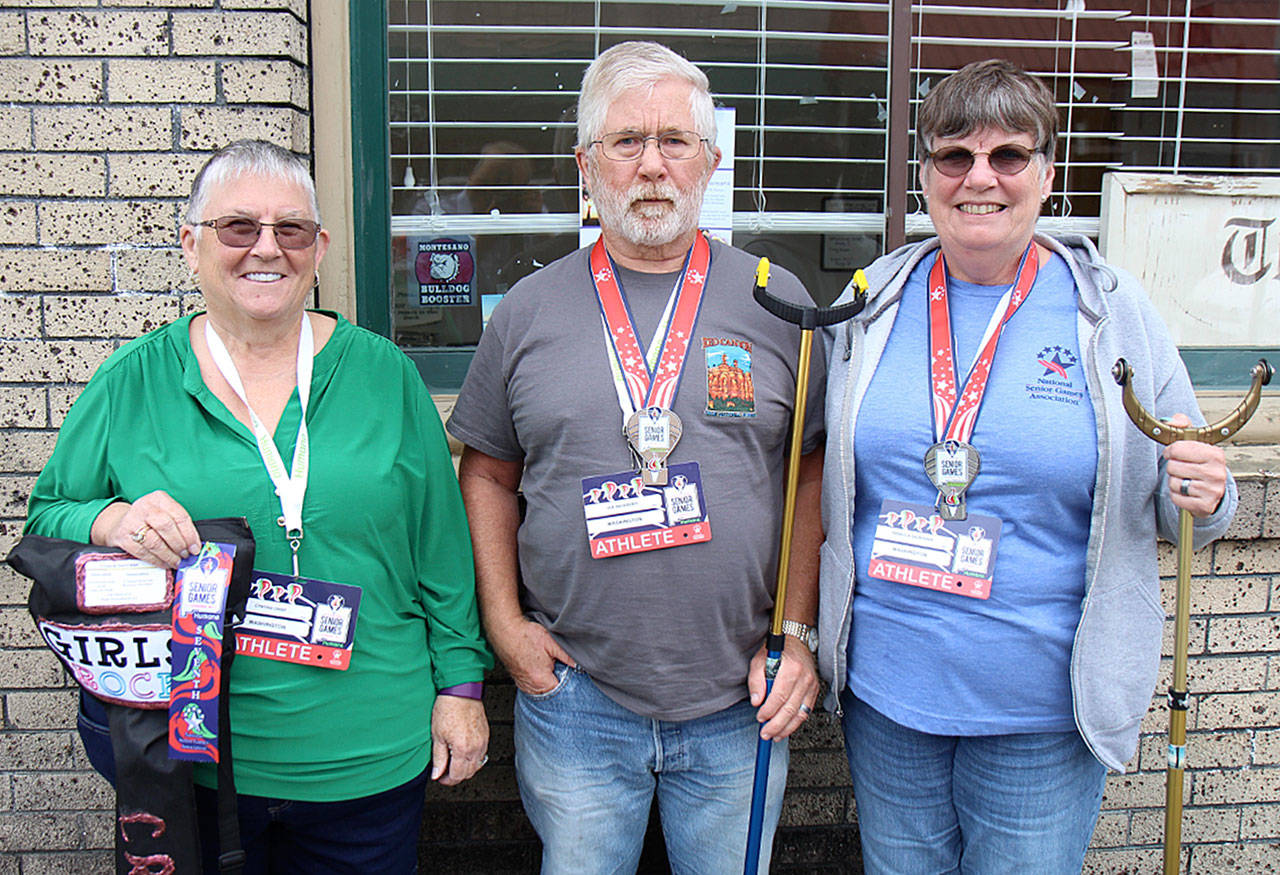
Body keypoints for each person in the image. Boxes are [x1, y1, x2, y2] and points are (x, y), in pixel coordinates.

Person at [24, 139, 492, 872]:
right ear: (192, 244)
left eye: (291, 229)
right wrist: (111, 520)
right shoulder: (132, 381)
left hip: (367, 759)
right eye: (238, 227)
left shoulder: (385, 375)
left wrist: (461, 688)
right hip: (194, 758)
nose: (265, 248)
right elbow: (47, 515)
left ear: (319, 247)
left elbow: (442, 550)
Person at [817, 59, 1236, 873]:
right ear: (926, 174)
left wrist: (1206, 491)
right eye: (954, 156)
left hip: (1041, 712)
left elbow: (1190, 488)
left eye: (1009, 155)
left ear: (1047, 172)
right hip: (889, 701)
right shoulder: (868, 304)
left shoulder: (1114, 312)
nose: (981, 178)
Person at [447, 41, 823, 874]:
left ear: (710, 161)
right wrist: (506, 628)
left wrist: (797, 635)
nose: (651, 166)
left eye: (674, 141)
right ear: (587, 165)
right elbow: (486, 473)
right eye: (626, 143)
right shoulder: (526, 312)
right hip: (577, 698)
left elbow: (810, 472)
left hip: (742, 701)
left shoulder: (778, 301)